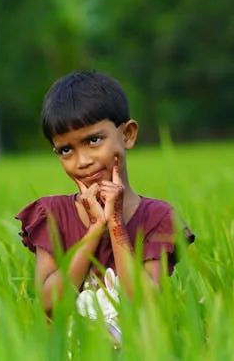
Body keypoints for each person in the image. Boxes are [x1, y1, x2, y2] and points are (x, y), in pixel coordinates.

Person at [15, 70, 195, 346]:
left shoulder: (158, 218)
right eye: (66, 150)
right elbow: (48, 304)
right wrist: (95, 229)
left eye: (93, 140)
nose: (83, 161)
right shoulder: (51, 214)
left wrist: (115, 224)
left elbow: (143, 303)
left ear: (127, 135)